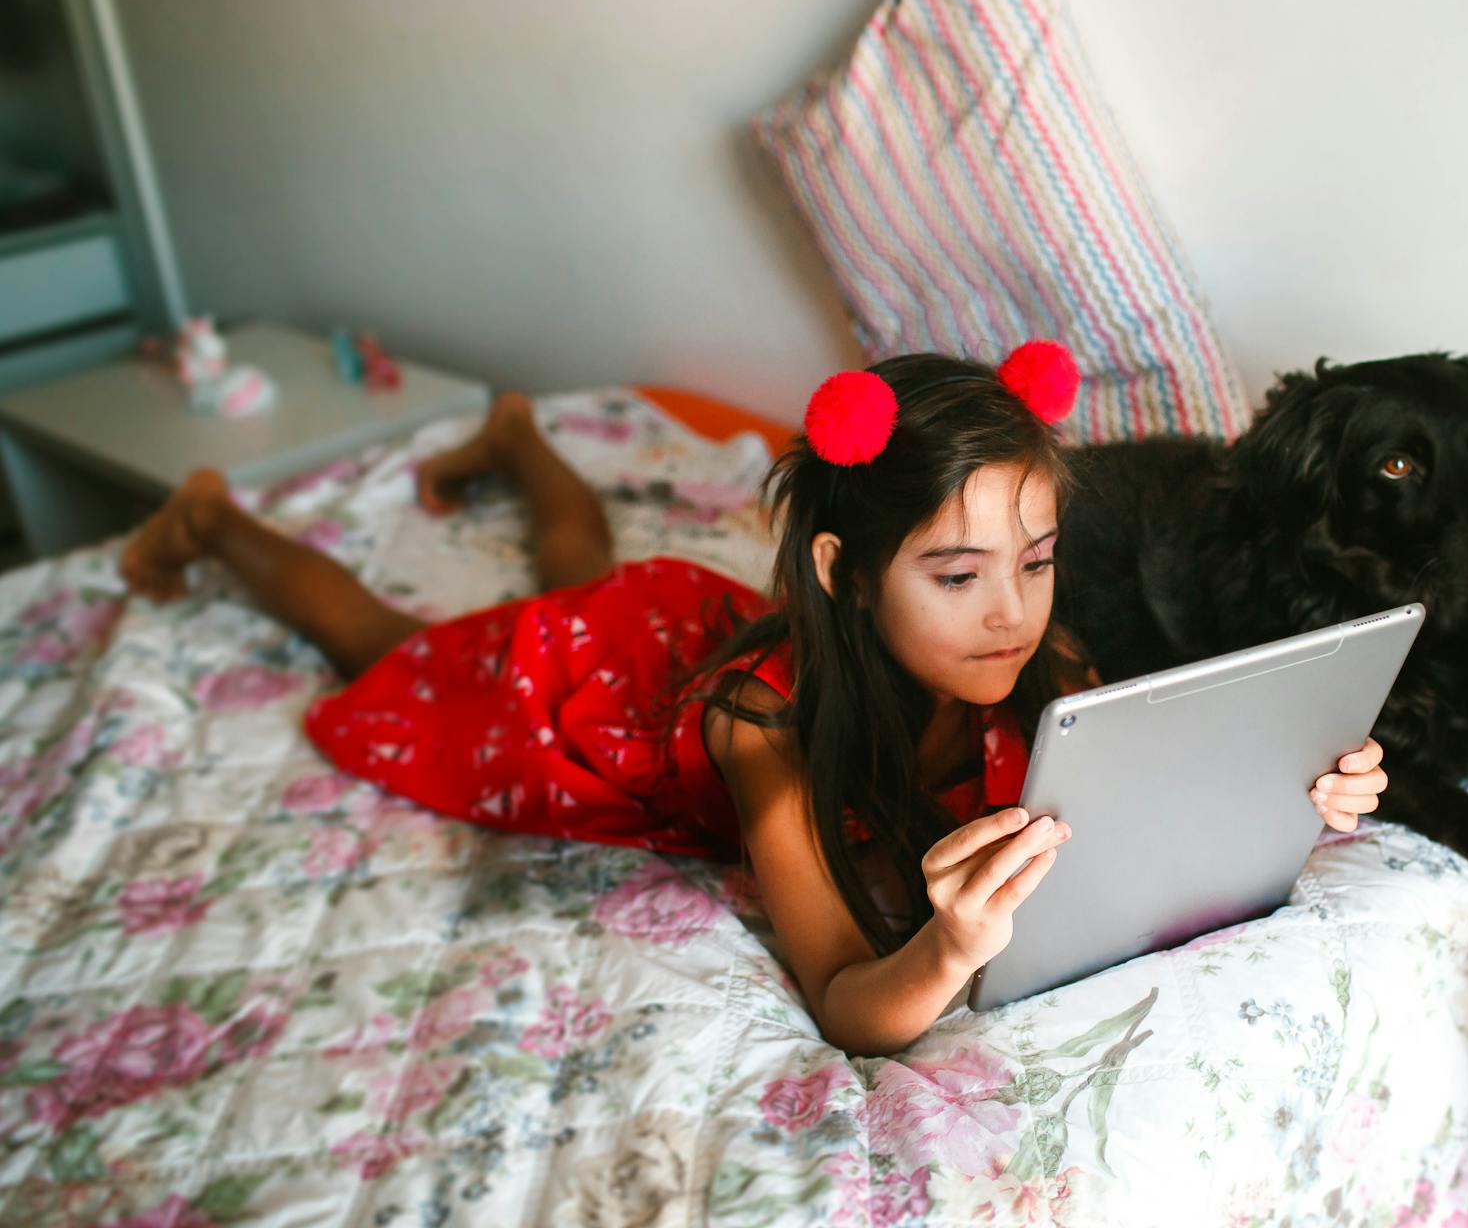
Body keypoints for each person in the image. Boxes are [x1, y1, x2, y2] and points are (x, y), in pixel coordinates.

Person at [119, 342, 1389, 1054]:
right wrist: (946, 948)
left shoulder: (1042, 665)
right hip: (616, 694)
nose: (1013, 609)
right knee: (395, 641)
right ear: (844, 570)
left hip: (694, 627)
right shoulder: (761, 726)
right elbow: (849, 1002)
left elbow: (1147, 813)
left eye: (1038, 559)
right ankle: (216, 517)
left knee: (578, 566)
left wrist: (1297, 792)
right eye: (958, 572)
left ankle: (515, 435)